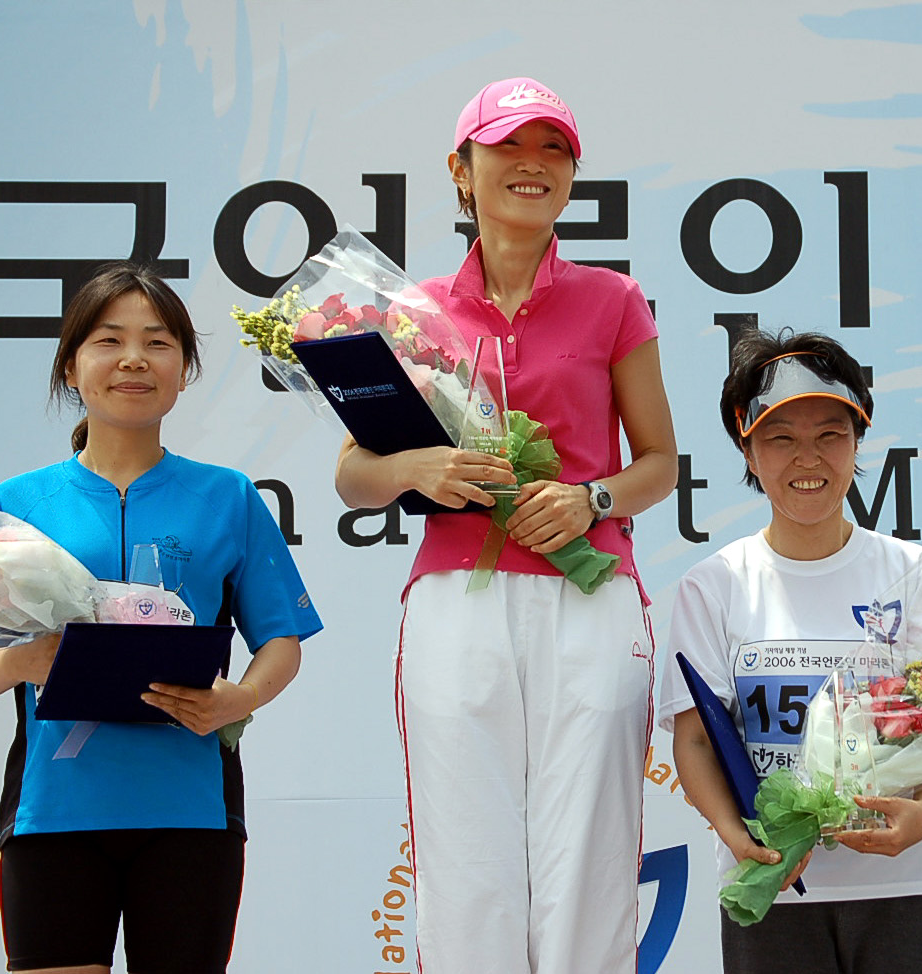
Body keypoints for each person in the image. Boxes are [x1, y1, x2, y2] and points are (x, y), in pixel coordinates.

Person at [334, 76, 677, 974]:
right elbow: (352, 476)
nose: (534, 165)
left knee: (589, 859)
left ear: (571, 175)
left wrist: (590, 498)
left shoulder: (612, 299)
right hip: (457, 599)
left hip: (590, 595)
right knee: (468, 859)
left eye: (554, 149)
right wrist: (417, 469)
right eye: (509, 147)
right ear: (461, 168)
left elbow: (656, 466)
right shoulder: (411, 316)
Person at [0, 261, 322, 974]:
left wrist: (240, 698)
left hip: (192, 810)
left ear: (184, 369)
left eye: (158, 342)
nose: (133, 360)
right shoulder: (18, 502)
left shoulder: (229, 496)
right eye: (108, 340)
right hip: (52, 810)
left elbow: (281, 641)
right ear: (71, 365)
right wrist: (25, 663)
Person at [658, 330, 922, 974]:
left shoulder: (914, 573)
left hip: (905, 885)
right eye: (781, 438)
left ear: (858, 444)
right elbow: (694, 742)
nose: (809, 458)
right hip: (771, 882)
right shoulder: (714, 585)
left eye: (830, 435)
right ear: (748, 447)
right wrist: (737, 836)